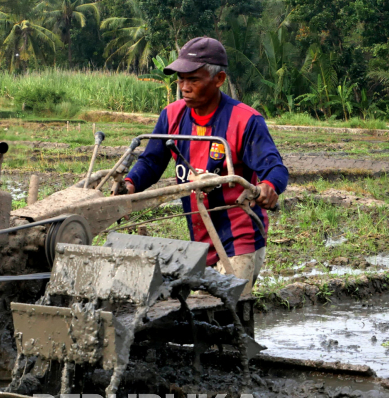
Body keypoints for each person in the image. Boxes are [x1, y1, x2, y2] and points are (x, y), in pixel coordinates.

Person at [123, 36, 288, 294]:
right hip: (199, 239)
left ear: (219, 79)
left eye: (193, 80)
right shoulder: (172, 115)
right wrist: (130, 184)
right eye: (180, 79)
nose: (184, 87)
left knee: (227, 314)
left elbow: (274, 168)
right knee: (204, 317)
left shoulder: (245, 120)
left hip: (239, 236)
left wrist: (268, 186)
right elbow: (152, 161)